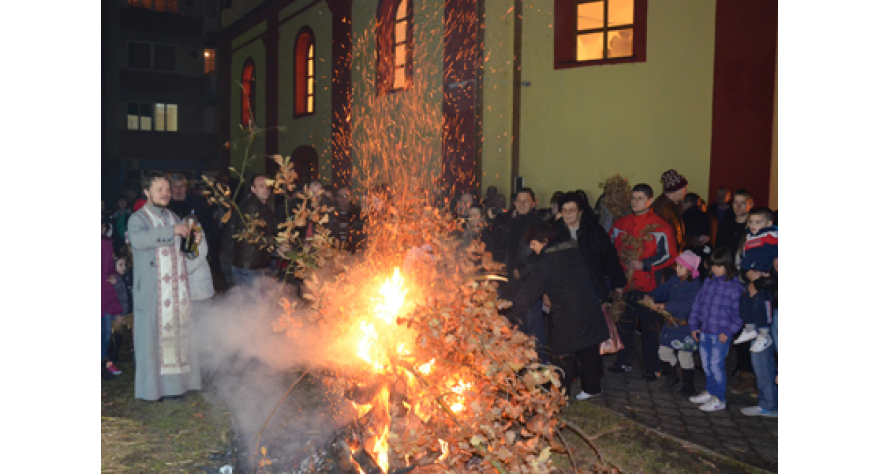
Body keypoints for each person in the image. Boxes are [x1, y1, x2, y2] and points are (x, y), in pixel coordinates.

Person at [505, 222, 608, 401]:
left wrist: (510, 314)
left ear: (545, 241)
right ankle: (592, 389)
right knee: (589, 349)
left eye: (534, 242)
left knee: (563, 355)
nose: (531, 246)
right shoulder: (572, 252)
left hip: (569, 313)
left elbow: (529, 292)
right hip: (589, 306)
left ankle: (561, 396)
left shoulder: (546, 263)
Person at [128, 171, 203, 401]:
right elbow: (140, 241)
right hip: (153, 293)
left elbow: (188, 254)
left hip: (175, 293)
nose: (165, 194)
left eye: (167, 190)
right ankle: (152, 390)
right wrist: (173, 232)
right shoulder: (137, 219)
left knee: (177, 340)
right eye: (159, 189)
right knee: (152, 343)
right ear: (147, 192)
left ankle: (175, 387)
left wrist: (194, 242)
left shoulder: (173, 217)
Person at [608, 184, 678, 380]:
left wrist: (645, 264)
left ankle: (652, 367)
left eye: (639, 198)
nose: (635, 202)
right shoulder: (621, 224)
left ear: (650, 200)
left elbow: (670, 256)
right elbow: (610, 252)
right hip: (626, 286)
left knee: (650, 330)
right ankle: (623, 362)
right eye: (633, 198)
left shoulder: (660, 226)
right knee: (625, 326)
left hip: (649, 288)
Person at [687, 247, 743, 412]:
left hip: (720, 335)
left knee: (716, 365)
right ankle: (710, 391)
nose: (716, 269)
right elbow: (698, 304)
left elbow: (739, 314)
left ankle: (719, 398)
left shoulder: (734, 287)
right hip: (705, 331)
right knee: (706, 364)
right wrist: (694, 325)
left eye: (720, 266)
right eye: (713, 265)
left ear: (728, 266)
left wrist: (729, 331)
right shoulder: (708, 282)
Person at [642, 250, 703, 398]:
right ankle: (673, 375)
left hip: (686, 325)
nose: (677, 269)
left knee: (685, 357)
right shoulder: (675, 280)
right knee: (663, 352)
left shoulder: (696, 285)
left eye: (681, 267)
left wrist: (665, 306)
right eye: (677, 266)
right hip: (671, 325)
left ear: (690, 269)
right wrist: (652, 296)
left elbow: (688, 305)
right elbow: (663, 289)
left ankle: (689, 387)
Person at [500, 188, 547, 359]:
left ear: (534, 203)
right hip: (511, 282)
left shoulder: (539, 225)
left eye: (526, 200)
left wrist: (523, 271)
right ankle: (520, 364)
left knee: (534, 327)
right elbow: (506, 247)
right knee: (516, 325)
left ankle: (540, 364)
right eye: (518, 200)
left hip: (530, 282)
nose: (521, 204)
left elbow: (542, 254)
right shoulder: (511, 223)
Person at [554, 192, 626, 304]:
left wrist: (618, 284)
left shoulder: (594, 232)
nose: (568, 214)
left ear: (580, 212)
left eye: (572, 210)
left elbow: (610, 259)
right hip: (564, 291)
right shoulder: (554, 233)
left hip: (592, 288)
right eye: (564, 210)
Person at [733, 207, 778, 352]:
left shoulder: (772, 235)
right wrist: (747, 273)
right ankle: (749, 327)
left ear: (768, 223)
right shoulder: (749, 237)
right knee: (745, 300)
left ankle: (764, 335)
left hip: (765, 276)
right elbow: (744, 259)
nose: (753, 225)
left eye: (758, 222)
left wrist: (766, 275)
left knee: (760, 301)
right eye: (751, 221)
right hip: (751, 276)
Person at [224, 174, 276, 287]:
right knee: (249, 302)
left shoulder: (265, 206)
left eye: (267, 186)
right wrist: (277, 246)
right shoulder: (251, 207)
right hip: (249, 265)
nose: (266, 189)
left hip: (257, 263)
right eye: (261, 186)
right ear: (253, 189)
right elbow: (255, 237)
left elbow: (270, 231)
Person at [741, 256, 778, 418]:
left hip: (775, 307)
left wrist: (759, 283)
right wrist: (749, 276)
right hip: (761, 308)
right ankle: (768, 403)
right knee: (760, 358)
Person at [102, 216, 124, 379]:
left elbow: (109, 267)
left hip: (105, 295)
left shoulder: (106, 244)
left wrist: (113, 276)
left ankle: (105, 363)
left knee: (106, 332)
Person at [651, 169, 688, 253]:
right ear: (676, 191)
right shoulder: (661, 210)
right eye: (684, 189)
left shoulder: (672, 208)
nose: (686, 192)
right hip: (666, 261)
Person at [327, 186, 365, 253]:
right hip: (333, 251)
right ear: (336, 198)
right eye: (340, 196)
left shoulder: (357, 213)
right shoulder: (331, 213)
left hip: (353, 252)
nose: (342, 198)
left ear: (350, 198)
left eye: (345, 195)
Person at [681, 192, 712, 266]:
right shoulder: (708, 217)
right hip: (703, 252)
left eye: (683, 203)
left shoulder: (683, 217)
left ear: (688, 203)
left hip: (687, 253)